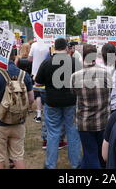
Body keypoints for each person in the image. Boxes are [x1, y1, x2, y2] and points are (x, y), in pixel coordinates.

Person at [35, 38, 82, 169]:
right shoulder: (74, 61)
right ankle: (76, 163)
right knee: (72, 132)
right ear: (67, 47)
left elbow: (38, 82)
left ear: (54, 47)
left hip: (52, 102)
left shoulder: (47, 62)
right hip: (71, 101)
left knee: (53, 133)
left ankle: (50, 164)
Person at [0, 49, 34, 169]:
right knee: (18, 157)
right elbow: (31, 99)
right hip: (18, 122)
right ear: (13, 56)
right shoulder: (24, 74)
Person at [71, 44, 111, 169]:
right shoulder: (106, 73)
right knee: (99, 153)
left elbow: (74, 93)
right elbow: (110, 90)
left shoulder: (75, 76)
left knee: (90, 153)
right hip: (103, 120)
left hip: (85, 122)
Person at [28, 41, 50, 123]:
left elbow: (29, 59)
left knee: (38, 94)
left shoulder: (34, 45)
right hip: (48, 71)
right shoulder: (49, 44)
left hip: (36, 73)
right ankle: (46, 114)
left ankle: (39, 115)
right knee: (47, 91)